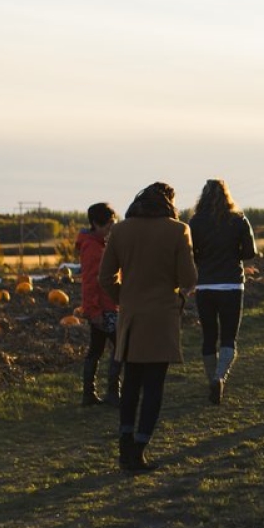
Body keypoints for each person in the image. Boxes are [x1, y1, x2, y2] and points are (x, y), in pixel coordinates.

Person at [99, 182, 197, 472]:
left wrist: (125, 299)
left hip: (131, 318)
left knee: (131, 383)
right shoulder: (178, 230)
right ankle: (140, 447)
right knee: (154, 386)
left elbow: (105, 278)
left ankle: (125, 441)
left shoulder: (121, 230)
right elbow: (188, 279)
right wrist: (178, 296)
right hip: (162, 316)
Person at [188, 178, 258, 405]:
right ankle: (220, 377)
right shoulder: (238, 220)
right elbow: (250, 252)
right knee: (229, 338)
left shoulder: (195, 222)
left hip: (205, 285)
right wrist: (232, 254)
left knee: (209, 337)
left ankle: (212, 380)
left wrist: (205, 260)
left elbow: (191, 254)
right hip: (232, 285)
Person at [76, 202, 121, 406]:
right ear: (96, 224)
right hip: (104, 308)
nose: (111, 229)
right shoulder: (93, 248)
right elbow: (90, 282)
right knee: (119, 347)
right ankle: (112, 391)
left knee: (97, 347)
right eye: (108, 226)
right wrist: (94, 311)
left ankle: (90, 393)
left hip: (107, 306)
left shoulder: (100, 244)